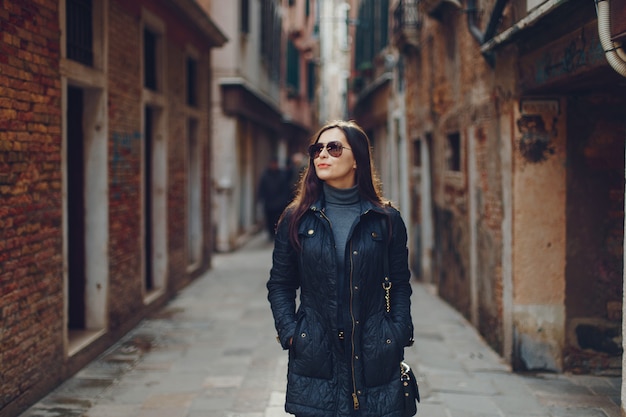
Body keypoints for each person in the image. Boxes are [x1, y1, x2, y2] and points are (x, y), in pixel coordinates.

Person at [266, 120, 414, 416]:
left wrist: (397, 331)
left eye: (333, 148)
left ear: (357, 159)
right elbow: (280, 284)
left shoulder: (385, 219)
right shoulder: (296, 218)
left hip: (375, 355)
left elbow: (399, 283)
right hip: (316, 357)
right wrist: (292, 333)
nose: (322, 155)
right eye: (317, 149)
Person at [258, 157, 291, 239]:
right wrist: (262, 199)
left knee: (278, 219)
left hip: (280, 203)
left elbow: (285, 189)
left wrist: (284, 200)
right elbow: (262, 188)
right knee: (270, 219)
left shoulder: (282, 175)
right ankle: (271, 234)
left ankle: (278, 233)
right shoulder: (265, 175)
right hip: (269, 203)